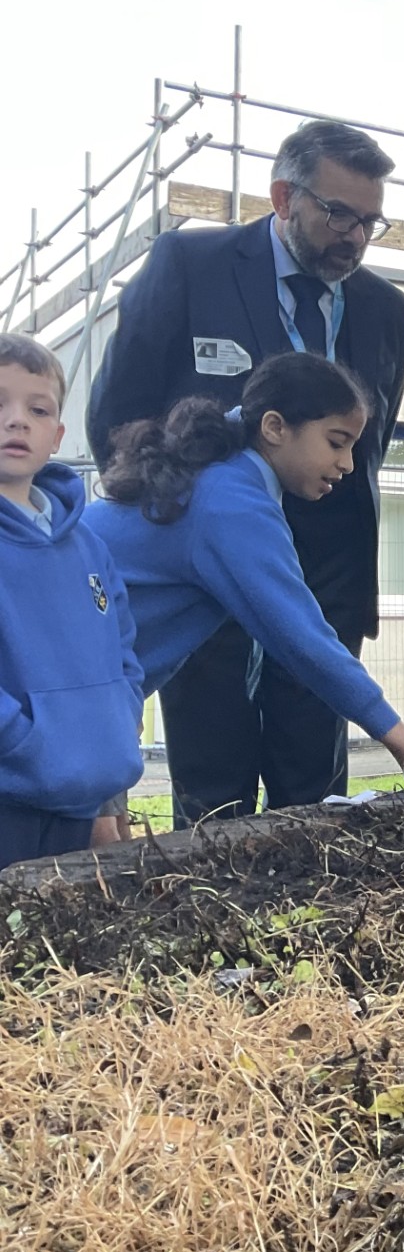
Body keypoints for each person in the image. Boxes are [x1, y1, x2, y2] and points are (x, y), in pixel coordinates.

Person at [85, 120, 404, 825]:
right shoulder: (187, 265)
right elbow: (117, 413)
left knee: (316, 806)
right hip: (201, 578)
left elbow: (365, 453)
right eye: (337, 213)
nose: (354, 236)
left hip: (322, 588)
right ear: (282, 197)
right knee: (212, 804)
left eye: (370, 220)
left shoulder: (390, 313)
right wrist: (178, 525)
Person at [82, 354, 404, 816]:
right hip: (68, 693)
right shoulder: (230, 503)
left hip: (84, 695)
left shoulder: (216, 474)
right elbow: (304, 641)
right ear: (274, 427)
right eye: (336, 442)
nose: (346, 464)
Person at [0, 334, 145, 867]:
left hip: (78, 800)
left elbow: (123, 646)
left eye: (37, 409)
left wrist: (120, 715)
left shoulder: (87, 543)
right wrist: (24, 744)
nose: (18, 420)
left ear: (57, 434)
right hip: (9, 800)